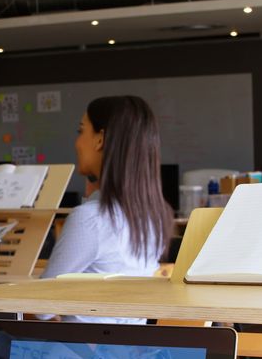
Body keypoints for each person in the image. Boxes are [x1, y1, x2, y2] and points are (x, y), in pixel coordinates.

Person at [39, 95, 174, 322]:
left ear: (100, 139)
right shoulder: (154, 216)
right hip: (129, 349)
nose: (77, 143)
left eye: (81, 131)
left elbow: (41, 308)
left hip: (82, 353)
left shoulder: (90, 219)